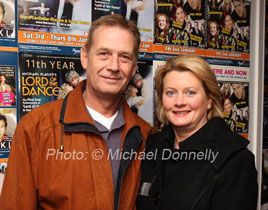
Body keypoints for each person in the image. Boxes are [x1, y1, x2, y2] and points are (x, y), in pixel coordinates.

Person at [0, 14, 153, 209]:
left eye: (124, 57)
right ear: (84, 57)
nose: (114, 66)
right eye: (104, 53)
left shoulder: (145, 135)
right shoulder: (35, 129)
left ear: (133, 68)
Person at [136, 55, 258, 209]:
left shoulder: (236, 161)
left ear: (209, 100)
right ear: (162, 99)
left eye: (190, 92)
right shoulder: (151, 145)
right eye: (171, 93)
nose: (179, 102)